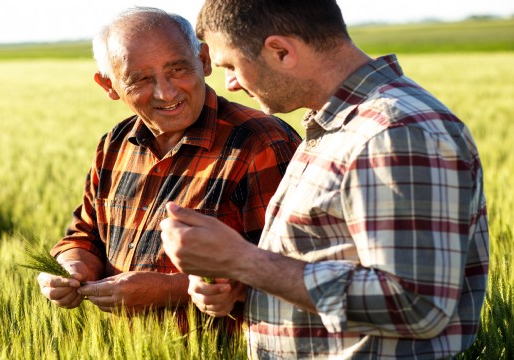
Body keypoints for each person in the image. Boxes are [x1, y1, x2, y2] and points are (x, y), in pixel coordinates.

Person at [160, 0, 489, 358]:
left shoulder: (394, 132)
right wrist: (244, 282)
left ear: (281, 51)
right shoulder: (337, 124)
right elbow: (333, 256)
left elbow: (415, 304)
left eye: (231, 66)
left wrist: (245, 261)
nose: (231, 84)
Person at [36, 5, 301, 327]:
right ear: (108, 86)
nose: (166, 92)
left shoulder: (261, 143)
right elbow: (85, 234)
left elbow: (295, 271)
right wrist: (72, 268)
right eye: (141, 79)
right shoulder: (114, 144)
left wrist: (172, 291)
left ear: (203, 61)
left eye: (178, 70)